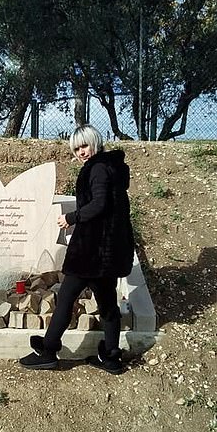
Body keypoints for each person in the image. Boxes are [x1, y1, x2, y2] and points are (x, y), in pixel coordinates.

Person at [19, 124, 134, 374]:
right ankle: (111, 358)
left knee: (66, 300)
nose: (81, 152)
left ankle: (48, 351)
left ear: (95, 142)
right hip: (106, 254)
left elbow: (99, 204)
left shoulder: (98, 169)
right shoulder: (110, 168)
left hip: (90, 252)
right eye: (76, 148)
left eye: (84, 145)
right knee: (108, 307)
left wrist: (71, 217)